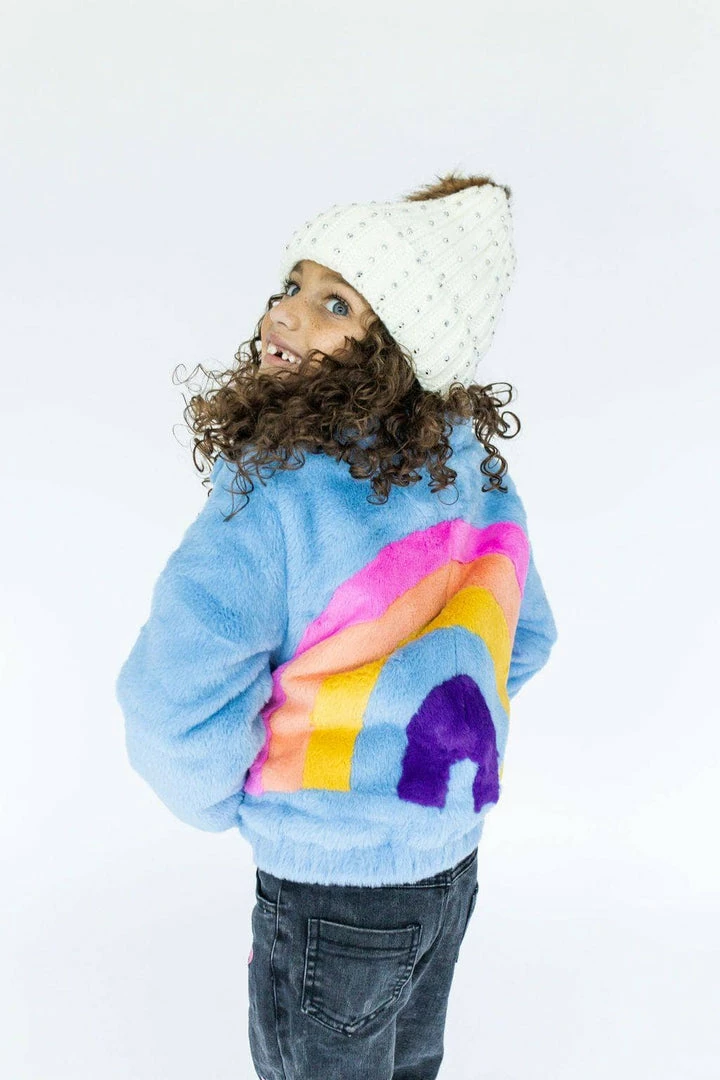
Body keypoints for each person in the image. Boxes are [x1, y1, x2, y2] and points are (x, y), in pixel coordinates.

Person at [115, 171, 558, 1080]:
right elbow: (525, 634)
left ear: (397, 349)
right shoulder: (474, 472)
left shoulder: (274, 492)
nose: (284, 313)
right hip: (449, 867)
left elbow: (176, 697)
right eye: (291, 284)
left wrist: (225, 802)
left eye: (334, 304)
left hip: (329, 888)